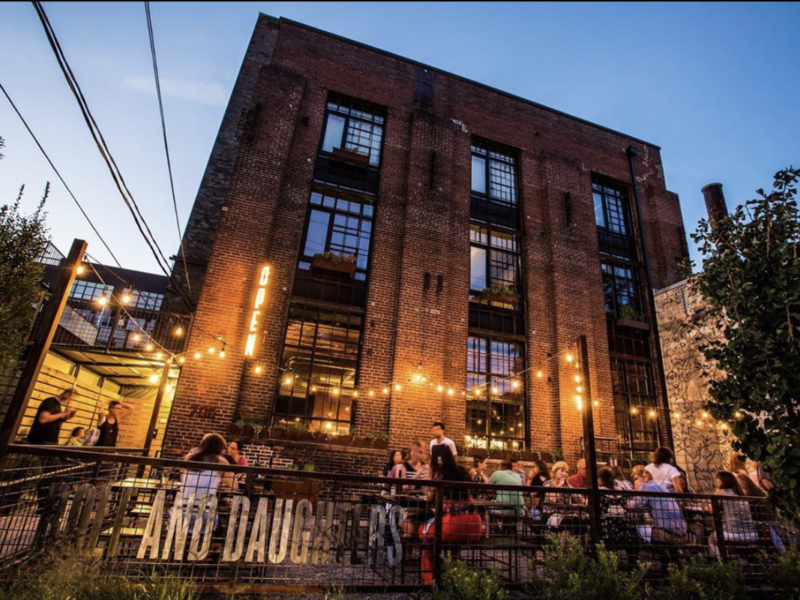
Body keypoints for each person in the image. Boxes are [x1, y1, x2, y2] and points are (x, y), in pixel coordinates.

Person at [418, 447, 482, 585]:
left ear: (436, 459)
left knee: (423, 530)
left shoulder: (439, 474)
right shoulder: (463, 472)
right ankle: (453, 567)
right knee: (452, 535)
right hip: (474, 525)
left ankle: (430, 578)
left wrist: (428, 482)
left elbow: (429, 498)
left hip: (451, 523)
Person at [180, 433, 233, 534]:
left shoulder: (189, 458)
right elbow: (234, 486)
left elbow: (183, 480)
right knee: (223, 515)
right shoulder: (221, 461)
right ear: (220, 448)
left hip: (182, 512)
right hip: (205, 515)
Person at [629, 465, 687, 545]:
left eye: (636, 479)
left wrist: (635, 493)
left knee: (637, 529)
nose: (634, 482)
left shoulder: (646, 486)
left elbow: (633, 505)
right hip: (681, 531)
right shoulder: (660, 486)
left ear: (645, 478)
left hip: (668, 533)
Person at [708, 471, 759, 558]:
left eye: (717, 479)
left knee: (712, 540)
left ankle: (722, 564)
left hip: (733, 533)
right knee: (740, 551)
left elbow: (712, 509)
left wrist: (705, 507)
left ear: (721, 480)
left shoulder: (720, 491)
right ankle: (742, 563)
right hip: (751, 534)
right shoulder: (741, 493)